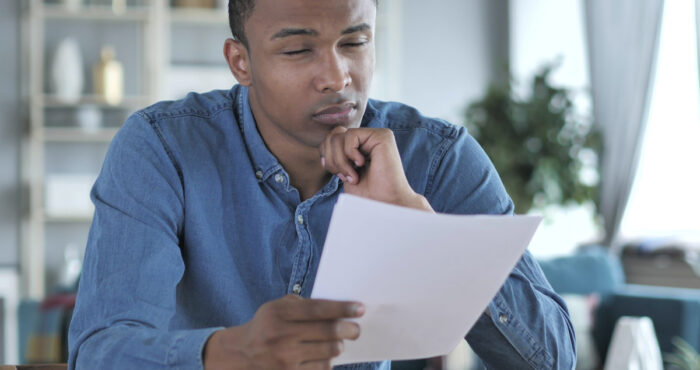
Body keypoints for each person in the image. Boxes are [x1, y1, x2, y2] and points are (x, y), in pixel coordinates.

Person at [67, 0, 576, 369]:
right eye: (298, 51)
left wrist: (428, 236)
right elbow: (101, 350)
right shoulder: (162, 147)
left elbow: (552, 360)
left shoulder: (437, 156)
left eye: (355, 42)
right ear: (240, 61)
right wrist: (232, 351)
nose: (337, 76)